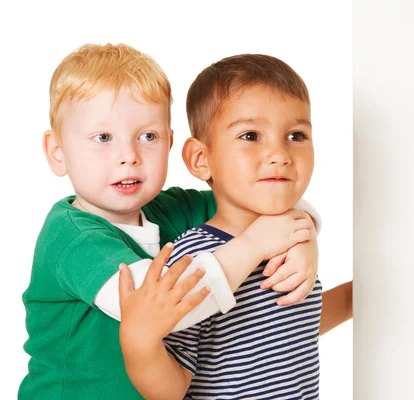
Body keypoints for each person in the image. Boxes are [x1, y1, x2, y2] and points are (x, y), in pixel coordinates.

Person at [19, 43, 321, 400]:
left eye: (148, 136)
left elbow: (260, 198)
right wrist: (256, 244)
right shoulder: (72, 238)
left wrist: (302, 238)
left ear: (170, 143)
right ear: (58, 153)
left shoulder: (170, 209)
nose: (128, 157)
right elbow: (163, 306)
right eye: (103, 138)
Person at [120, 53, 353, 400]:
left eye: (296, 135)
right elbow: (170, 388)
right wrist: (139, 345)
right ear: (201, 159)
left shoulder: (294, 244)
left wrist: (355, 297)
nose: (279, 153)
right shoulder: (195, 256)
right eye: (250, 135)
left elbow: (291, 332)